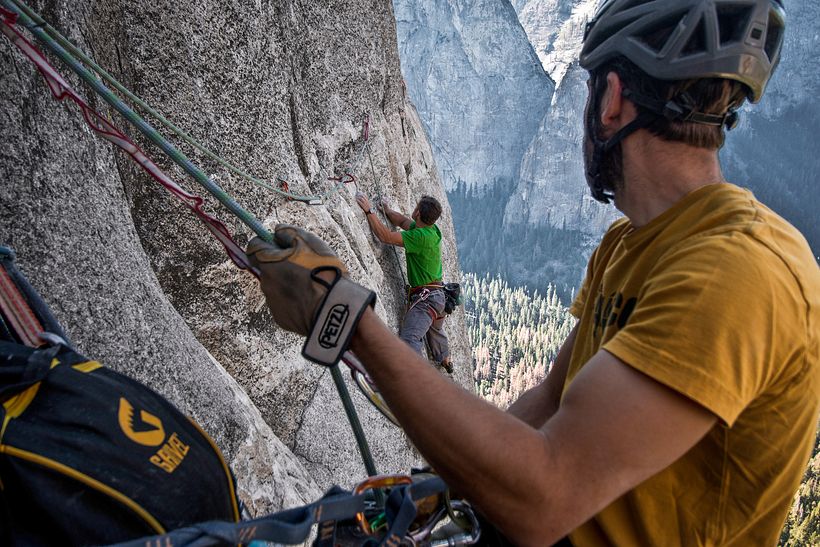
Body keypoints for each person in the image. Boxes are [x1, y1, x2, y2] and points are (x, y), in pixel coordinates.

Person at [246, 0, 819, 544]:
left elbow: (547, 496)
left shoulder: (740, 271)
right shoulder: (630, 244)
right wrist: (451, 484)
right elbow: (548, 400)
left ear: (611, 101)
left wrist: (345, 318)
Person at [354, 192, 453, 373]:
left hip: (427, 300)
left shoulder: (419, 237)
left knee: (410, 338)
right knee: (435, 329)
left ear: (417, 213)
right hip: (439, 297)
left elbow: (386, 237)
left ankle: (418, 375)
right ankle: (444, 358)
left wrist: (369, 211)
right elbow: (402, 222)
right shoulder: (431, 231)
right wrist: (387, 210)